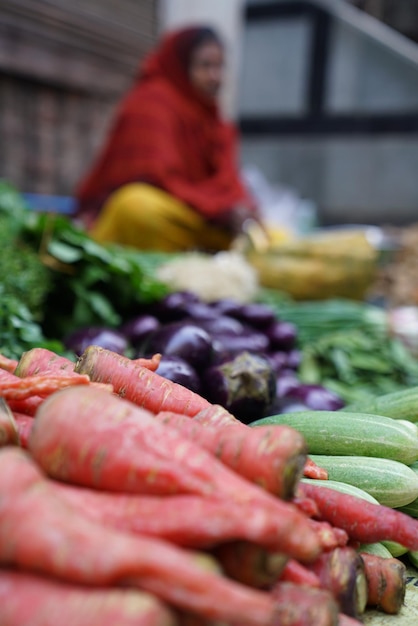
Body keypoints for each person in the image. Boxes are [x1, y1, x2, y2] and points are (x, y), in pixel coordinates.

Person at [74, 25, 265, 252]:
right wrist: (219, 210)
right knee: (135, 205)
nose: (215, 77)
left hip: (199, 219)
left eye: (220, 66)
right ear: (182, 66)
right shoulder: (152, 102)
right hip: (165, 216)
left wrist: (239, 210)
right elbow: (160, 177)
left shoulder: (212, 118)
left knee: (272, 235)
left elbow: (227, 182)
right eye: (205, 66)